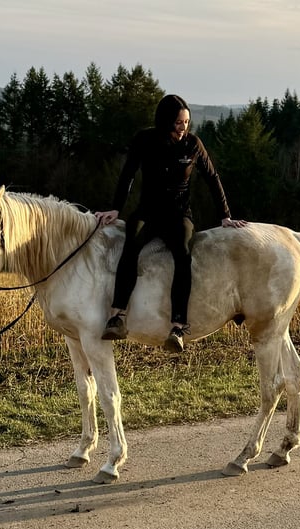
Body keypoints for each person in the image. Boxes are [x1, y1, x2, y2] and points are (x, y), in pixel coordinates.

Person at [94, 94, 248, 353]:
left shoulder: (193, 145)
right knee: (130, 244)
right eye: (178, 122)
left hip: (179, 215)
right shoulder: (144, 140)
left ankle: (177, 327)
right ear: (165, 121)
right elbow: (128, 175)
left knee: (183, 255)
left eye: (186, 122)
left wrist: (225, 215)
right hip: (148, 212)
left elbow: (212, 178)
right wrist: (115, 208)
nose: (183, 127)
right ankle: (117, 316)